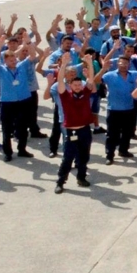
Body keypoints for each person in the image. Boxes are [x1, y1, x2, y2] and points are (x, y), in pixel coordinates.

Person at [52, 58, 98, 193]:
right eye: (75, 85)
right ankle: (60, 182)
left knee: (84, 157)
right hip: (71, 132)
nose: (78, 86)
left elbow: (90, 79)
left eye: (79, 84)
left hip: (85, 130)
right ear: (70, 86)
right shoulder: (65, 95)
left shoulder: (85, 93)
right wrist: (64, 64)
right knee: (67, 159)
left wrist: (89, 63)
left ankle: (81, 178)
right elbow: (60, 80)